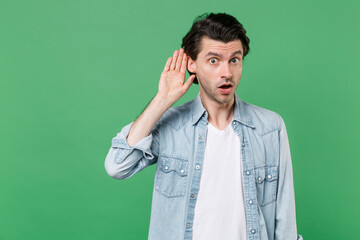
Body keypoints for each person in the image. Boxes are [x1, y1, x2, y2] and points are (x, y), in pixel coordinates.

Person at [105, 12, 303, 240]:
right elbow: (117, 166)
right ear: (192, 63)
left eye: (234, 60)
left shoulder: (270, 128)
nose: (226, 72)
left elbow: (285, 220)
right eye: (213, 60)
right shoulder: (172, 125)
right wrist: (163, 100)